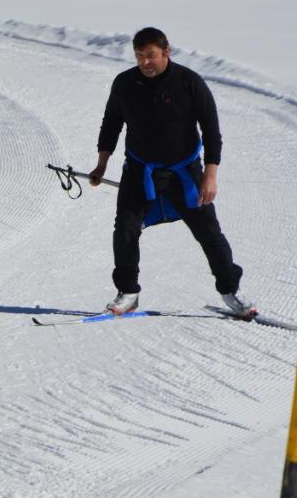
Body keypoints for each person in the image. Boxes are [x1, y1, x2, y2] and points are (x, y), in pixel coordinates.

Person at [89, 27, 255, 317]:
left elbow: (212, 130)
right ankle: (128, 293)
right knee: (125, 230)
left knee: (208, 232)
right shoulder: (125, 83)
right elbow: (111, 123)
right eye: (139, 56)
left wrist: (210, 175)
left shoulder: (189, 82)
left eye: (150, 55)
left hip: (184, 172)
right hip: (140, 170)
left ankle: (231, 291)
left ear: (167, 52)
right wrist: (102, 164)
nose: (145, 63)